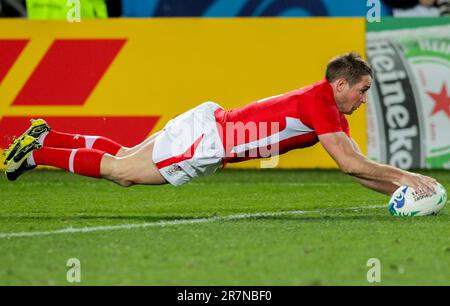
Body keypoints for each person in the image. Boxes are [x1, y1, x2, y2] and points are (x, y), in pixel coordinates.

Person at [3, 52, 437, 196]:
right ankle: (37, 152)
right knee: (120, 173)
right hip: (207, 142)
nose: (363, 99)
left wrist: (405, 189)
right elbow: (349, 164)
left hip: (208, 126)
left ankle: (46, 137)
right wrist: (409, 176)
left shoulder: (325, 104)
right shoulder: (321, 102)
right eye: (361, 90)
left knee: (120, 157)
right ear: (340, 84)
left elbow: (358, 167)